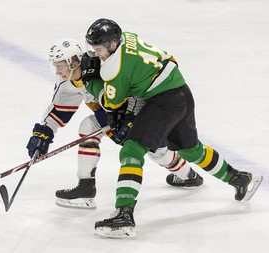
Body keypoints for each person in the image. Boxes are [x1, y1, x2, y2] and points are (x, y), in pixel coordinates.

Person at [82, 18, 263, 238]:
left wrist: (92, 81)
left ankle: (123, 214)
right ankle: (240, 178)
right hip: (181, 91)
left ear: (111, 44)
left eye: (99, 49)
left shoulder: (114, 67)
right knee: (190, 149)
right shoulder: (128, 36)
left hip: (164, 102)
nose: (96, 53)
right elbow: (169, 60)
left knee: (132, 150)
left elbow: (112, 103)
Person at [25, 38, 203, 210]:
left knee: (159, 153)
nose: (57, 72)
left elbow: (134, 91)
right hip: (109, 119)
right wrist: (43, 133)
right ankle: (86, 187)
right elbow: (59, 110)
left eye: (60, 66)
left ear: (73, 63)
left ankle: (188, 176)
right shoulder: (68, 81)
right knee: (88, 127)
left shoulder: (104, 68)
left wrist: (130, 117)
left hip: (139, 114)